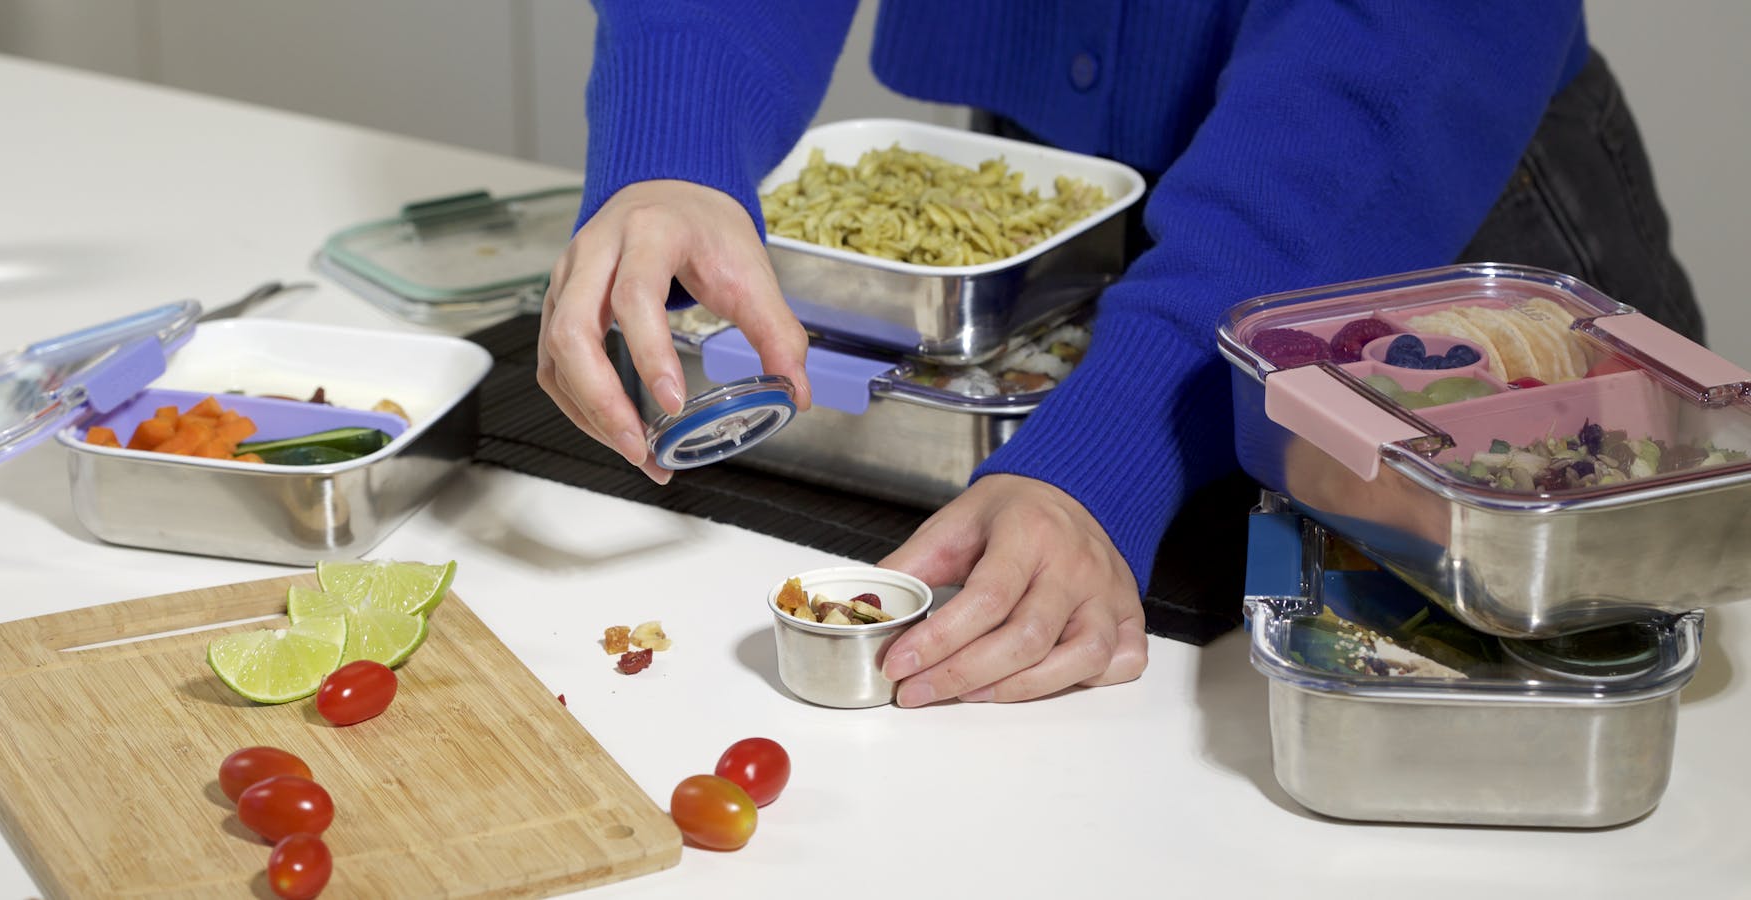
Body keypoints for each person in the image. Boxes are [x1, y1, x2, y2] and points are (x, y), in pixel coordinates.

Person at [539, 1, 1700, 707]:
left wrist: (1123, 434)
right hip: (1051, 207)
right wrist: (675, 144)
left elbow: (1407, 37)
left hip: (1414, 206)